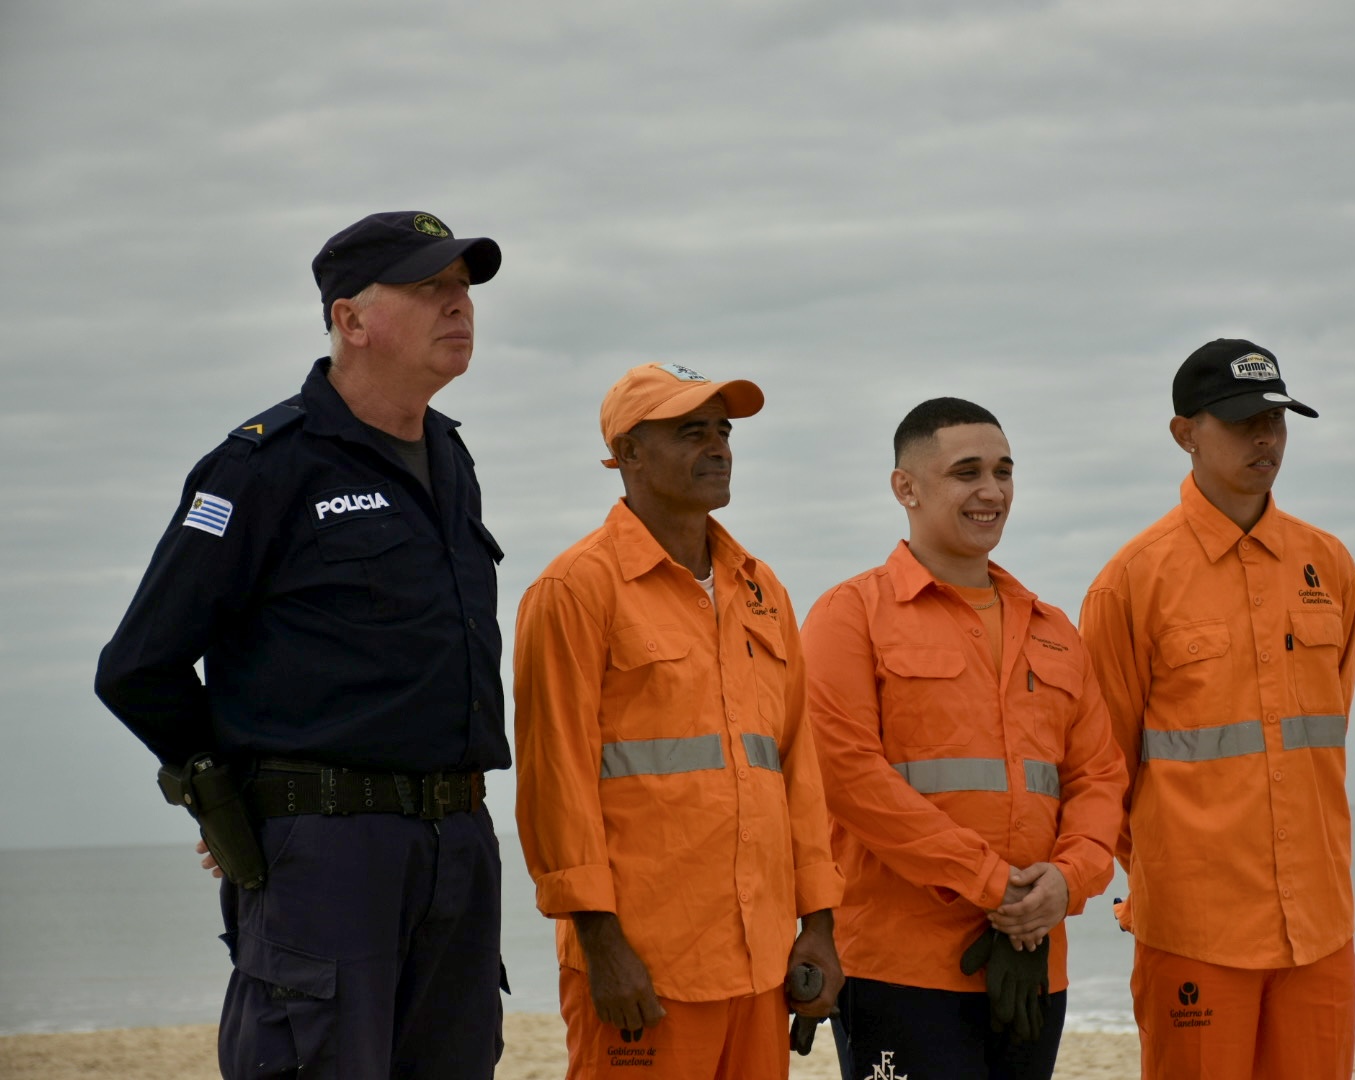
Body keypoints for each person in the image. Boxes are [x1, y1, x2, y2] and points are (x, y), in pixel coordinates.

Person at [94, 211, 511, 1079]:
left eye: (464, 289)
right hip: (328, 852)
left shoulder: (450, 458)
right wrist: (226, 793)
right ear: (351, 319)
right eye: (429, 288)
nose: (458, 305)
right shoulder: (263, 464)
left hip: (458, 843)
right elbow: (140, 666)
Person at [511, 362, 844, 1080]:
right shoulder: (574, 590)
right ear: (628, 453)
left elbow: (797, 768)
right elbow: (554, 780)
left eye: (723, 431)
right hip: (646, 969)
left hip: (759, 965)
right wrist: (602, 946)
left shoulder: (762, 589)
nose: (719, 447)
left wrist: (818, 923)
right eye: (692, 432)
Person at [800, 397, 1129, 1080]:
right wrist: (994, 886)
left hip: (1036, 960)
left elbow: (1099, 777)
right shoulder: (850, 616)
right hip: (899, 969)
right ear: (906, 487)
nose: (992, 491)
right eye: (967, 472)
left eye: (1004, 471)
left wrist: (1067, 883)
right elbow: (849, 778)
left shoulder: (1054, 629)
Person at [1080, 339, 1355, 1080]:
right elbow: (1103, 768)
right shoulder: (1131, 583)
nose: (1265, 437)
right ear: (1185, 433)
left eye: (1276, 418)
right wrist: (1171, 880)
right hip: (1195, 932)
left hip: (1322, 928)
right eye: (1241, 421)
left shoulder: (1329, 565)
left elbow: (1325, 735)